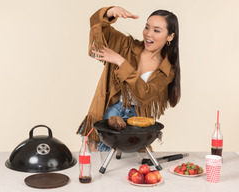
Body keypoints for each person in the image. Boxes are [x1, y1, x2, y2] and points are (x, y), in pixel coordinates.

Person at [77, 6, 181, 151]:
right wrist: (110, 12)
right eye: (146, 27)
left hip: (138, 119)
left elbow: (145, 93)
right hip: (110, 113)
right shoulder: (126, 45)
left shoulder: (167, 70)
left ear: (170, 36)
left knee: (130, 167)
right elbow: (98, 28)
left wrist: (121, 62)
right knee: (98, 162)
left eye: (156, 30)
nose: (148, 34)